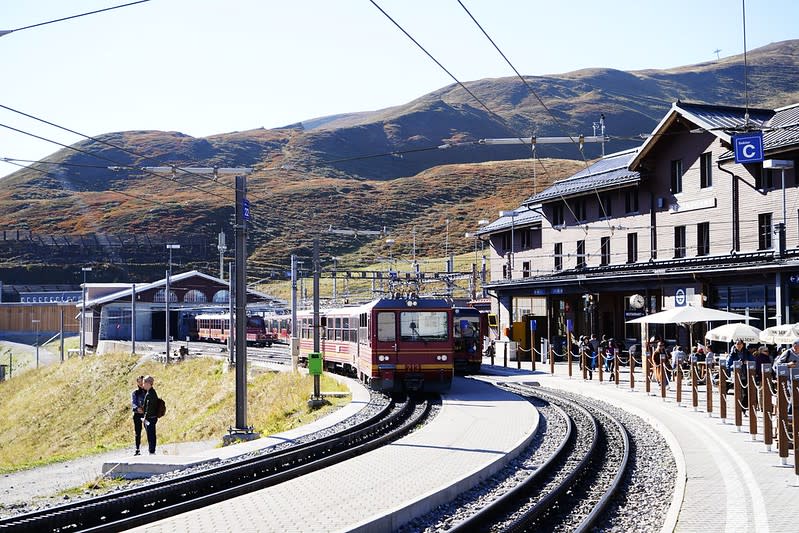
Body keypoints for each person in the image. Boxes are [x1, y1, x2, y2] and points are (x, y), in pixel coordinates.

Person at [726, 339, 754, 408]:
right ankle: (738, 408)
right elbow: (728, 366)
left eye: (740, 343)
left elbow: (753, 362)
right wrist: (737, 364)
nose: (738, 345)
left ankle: (743, 408)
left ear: (743, 344)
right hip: (736, 375)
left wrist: (748, 362)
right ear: (735, 345)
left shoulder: (747, 352)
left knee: (746, 393)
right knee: (738, 393)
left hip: (746, 375)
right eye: (737, 344)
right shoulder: (732, 353)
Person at [141, 375, 160, 455]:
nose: (143, 384)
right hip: (152, 417)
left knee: (151, 434)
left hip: (150, 418)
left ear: (148, 383)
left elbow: (149, 408)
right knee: (151, 434)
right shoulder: (150, 392)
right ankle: (151, 450)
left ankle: (152, 451)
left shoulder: (150, 394)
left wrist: (145, 417)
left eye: (144, 382)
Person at [131, 376, 146, 455]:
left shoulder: (148, 391)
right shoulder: (135, 393)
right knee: (138, 432)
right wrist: (137, 408)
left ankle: (151, 449)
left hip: (146, 414)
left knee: (149, 431)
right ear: (137, 383)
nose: (140, 383)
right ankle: (137, 449)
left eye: (142, 381)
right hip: (137, 415)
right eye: (139, 382)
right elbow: (133, 403)